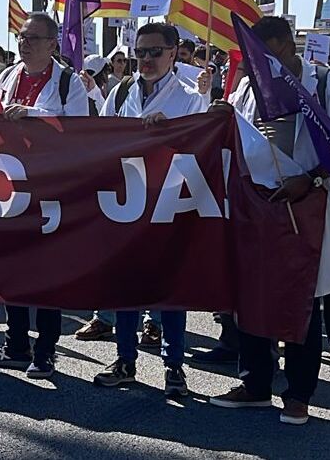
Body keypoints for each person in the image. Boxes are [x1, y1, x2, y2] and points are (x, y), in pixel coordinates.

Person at [211, 16, 330, 425]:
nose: (258, 63)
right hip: (257, 205)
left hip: (307, 206)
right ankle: (255, 385)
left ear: (284, 46)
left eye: (264, 53)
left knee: (302, 300)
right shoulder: (249, 86)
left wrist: (310, 179)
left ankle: (298, 394)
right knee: (252, 294)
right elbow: (239, 135)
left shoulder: (327, 84)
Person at [91, 22, 208, 398]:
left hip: (170, 204)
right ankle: (125, 360)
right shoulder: (121, 92)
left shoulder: (189, 97)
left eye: (155, 52)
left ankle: (174, 366)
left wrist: (169, 131)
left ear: (174, 53)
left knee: (170, 288)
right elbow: (102, 138)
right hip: (128, 202)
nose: (146, 59)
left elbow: (202, 146)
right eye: (140, 52)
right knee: (126, 284)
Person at [0, 12, 87, 379]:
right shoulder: (7, 76)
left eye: (34, 38)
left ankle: (46, 349)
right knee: (12, 268)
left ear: (53, 44)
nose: (25, 43)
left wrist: (34, 115)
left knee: (47, 271)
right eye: (21, 37)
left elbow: (81, 131)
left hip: (50, 186)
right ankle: (16, 343)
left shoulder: (69, 83)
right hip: (10, 185)